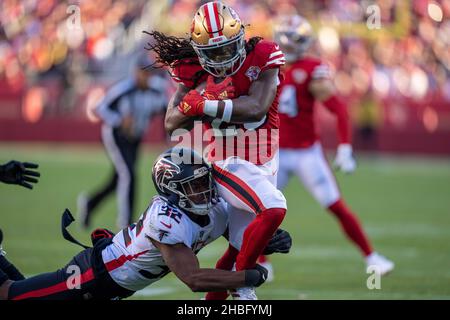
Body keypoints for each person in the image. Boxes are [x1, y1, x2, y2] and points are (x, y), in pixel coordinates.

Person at [0, 147, 291, 300]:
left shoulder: (213, 206)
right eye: (193, 185)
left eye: (204, 181)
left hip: (116, 287)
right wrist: (248, 278)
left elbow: (236, 234)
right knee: (12, 295)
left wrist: (268, 239)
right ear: (172, 189)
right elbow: (194, 279)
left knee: (20, 290)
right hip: (94, 276)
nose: (204, 190)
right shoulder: (165, 220)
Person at [148, 1, 287, 299]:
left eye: (227, 48)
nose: (222, 59)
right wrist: (191, 103)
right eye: (213, 53)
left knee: (236, 248)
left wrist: (206, 105)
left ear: (240, 38)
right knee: (274, 207)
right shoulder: (192, 70)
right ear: (199, 52)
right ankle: (243, 286)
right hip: (228, 160)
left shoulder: (262, 56)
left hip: (265, 158)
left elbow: (256, 108)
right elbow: (172, 123)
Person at [267, 15, 393, 276]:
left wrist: (346, 147)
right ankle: (260, 263)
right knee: (260, 210)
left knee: (334, 204)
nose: (290, 44)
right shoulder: (267, 66)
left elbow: (339, 108)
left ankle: (372, 257)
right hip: (275, 152)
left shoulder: (311, 68)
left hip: (305, 152)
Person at [78, 54, 169, 230]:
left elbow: (166, 112)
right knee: (128, 174)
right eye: (144, 73)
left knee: (118, 179)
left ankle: (90, 203)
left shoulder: (156, 91)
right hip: (116, 136)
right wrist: (120, 120)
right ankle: (126, 223)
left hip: (135, 138)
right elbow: (100, 108)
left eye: (149, 73)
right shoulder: (124, 89)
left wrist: (168, 137)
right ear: (135, 72)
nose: (147, 77)